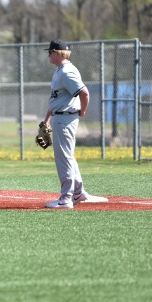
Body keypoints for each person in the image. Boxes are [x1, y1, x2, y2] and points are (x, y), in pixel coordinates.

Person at [42, 39, 108, 209]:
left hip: (65, 118)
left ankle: (66, 199)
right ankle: (79, 193)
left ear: (57, 53)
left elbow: (84, 93)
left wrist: (82, 111)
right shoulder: (59, 71)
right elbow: (56, 99)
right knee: (68, 156)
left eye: (49, 52)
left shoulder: (67, 72)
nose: (48, 54)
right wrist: (47, 120)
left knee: (63, 158)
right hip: (60, 117)